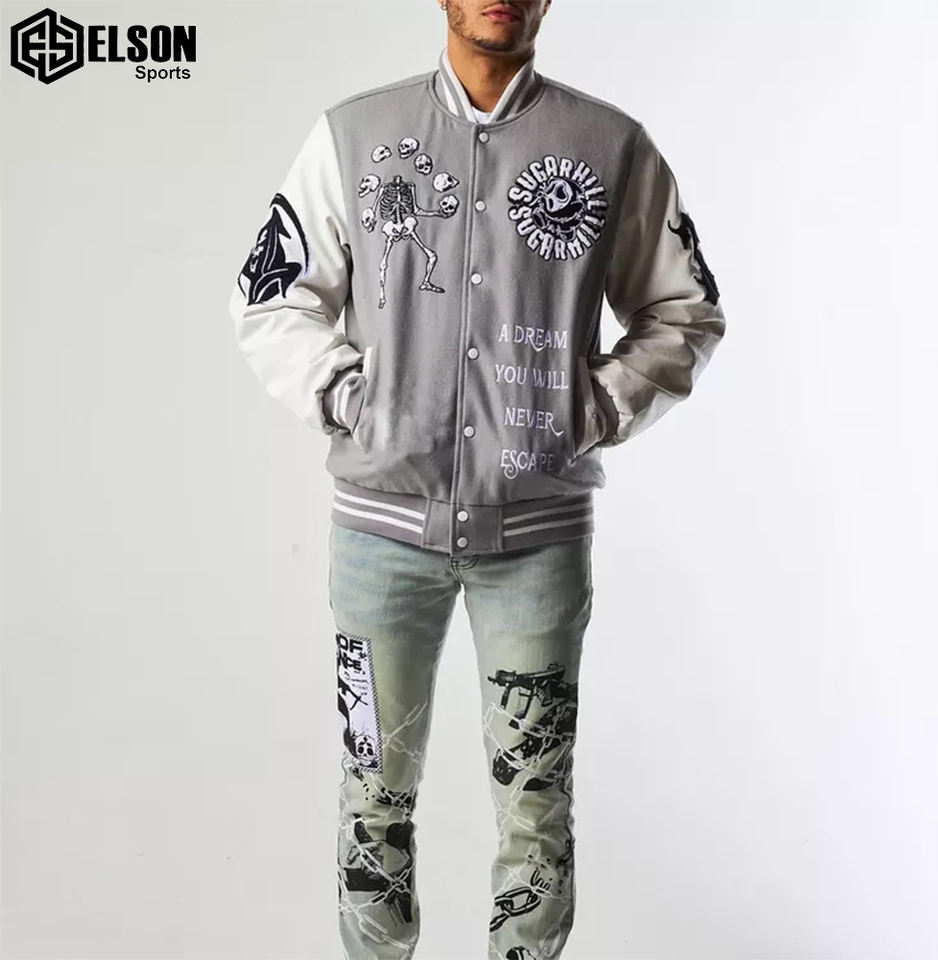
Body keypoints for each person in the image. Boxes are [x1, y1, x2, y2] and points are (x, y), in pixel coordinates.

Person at [229, 1, 726, 956]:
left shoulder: (609, 147)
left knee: (536, 806)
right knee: (373, 798)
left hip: (537, 543)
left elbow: (685, 310)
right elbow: (270, 299)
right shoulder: (355, 136)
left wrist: (595, 407)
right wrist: (346, 395)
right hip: (378, 540)